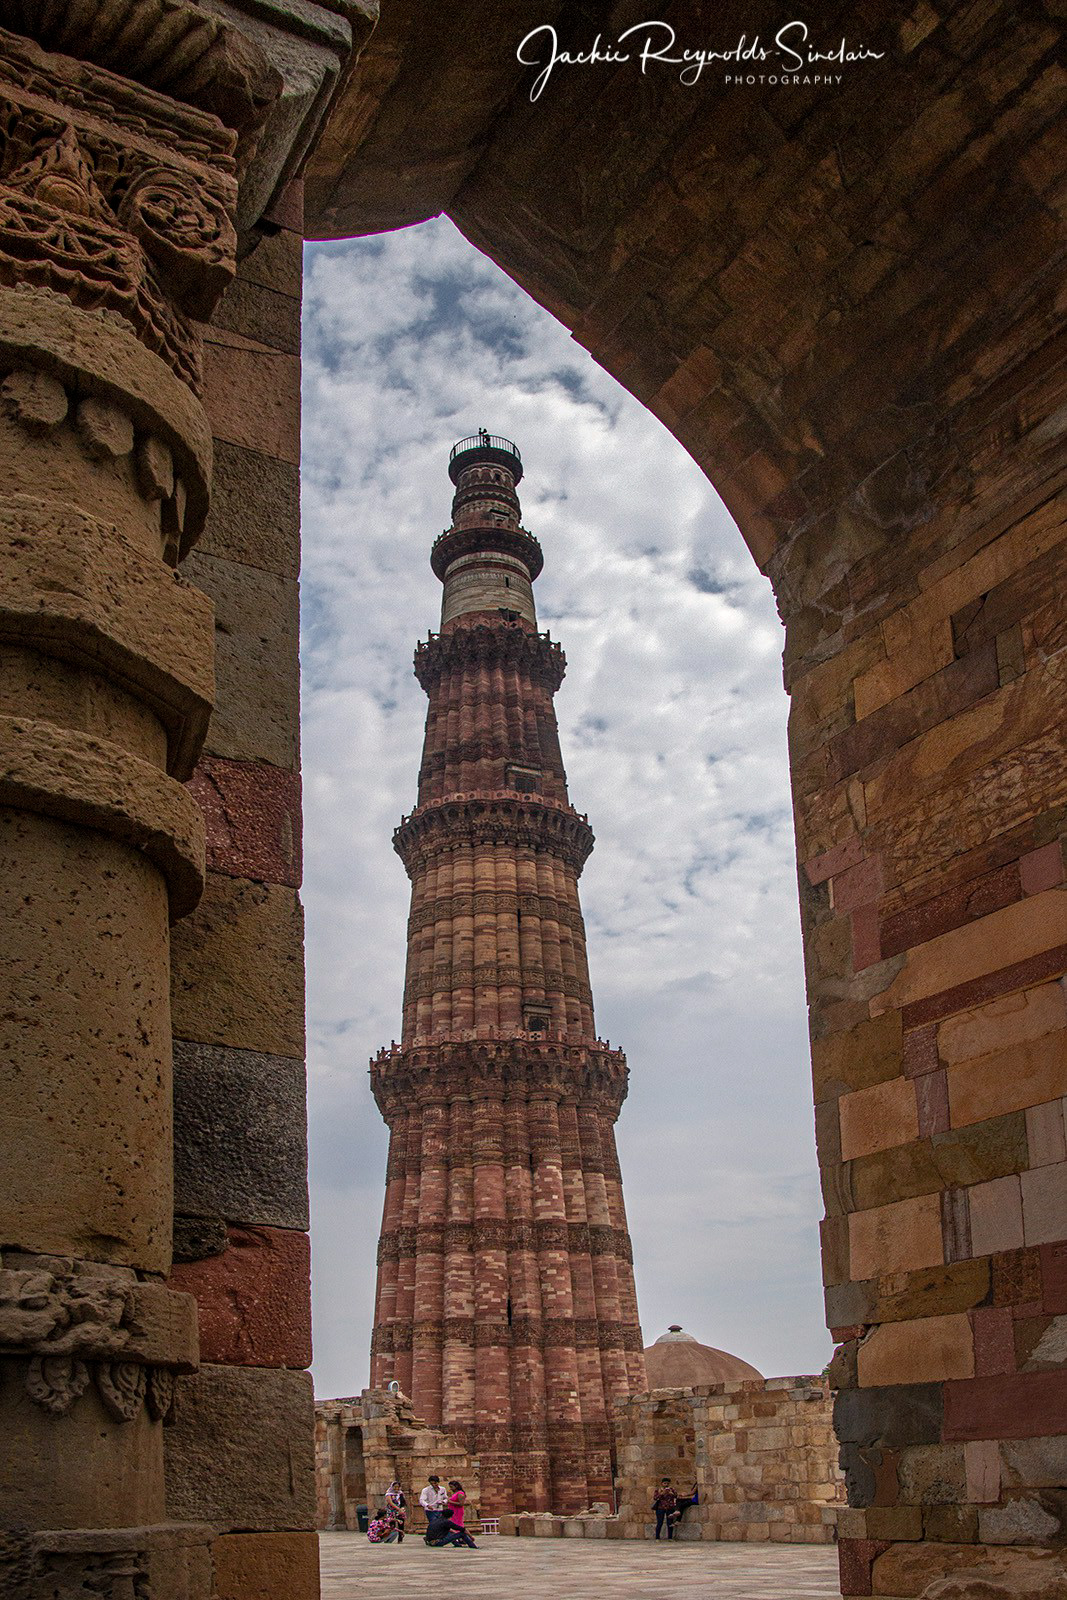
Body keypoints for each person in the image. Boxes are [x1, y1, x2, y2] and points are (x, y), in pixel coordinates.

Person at [443, 1479, 478, 1548]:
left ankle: (470, 1537)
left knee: (459, 1525)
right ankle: (460, 1538)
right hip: (453, 1511)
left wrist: (450, 1501)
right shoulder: (455, 1493)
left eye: (452, 1487)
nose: (451, 1489)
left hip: (457, 1512)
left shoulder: (460, 1493)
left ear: (456, 1486)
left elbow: (461, 1504)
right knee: (455, 1525)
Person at [419, 1473, 449, 1540]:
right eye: (432, 1483)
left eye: (435, 1483)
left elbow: (446, 1498)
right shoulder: (426, 1490)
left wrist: (443, 1502)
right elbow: (421, 1500)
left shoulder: (442, 1489)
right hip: (430, 1510)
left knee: (440, 1524)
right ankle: (431, 1537)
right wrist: (427, 1505)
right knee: (433, 1523)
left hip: (440, 1509)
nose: (433, 1485)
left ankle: (437, 1537)